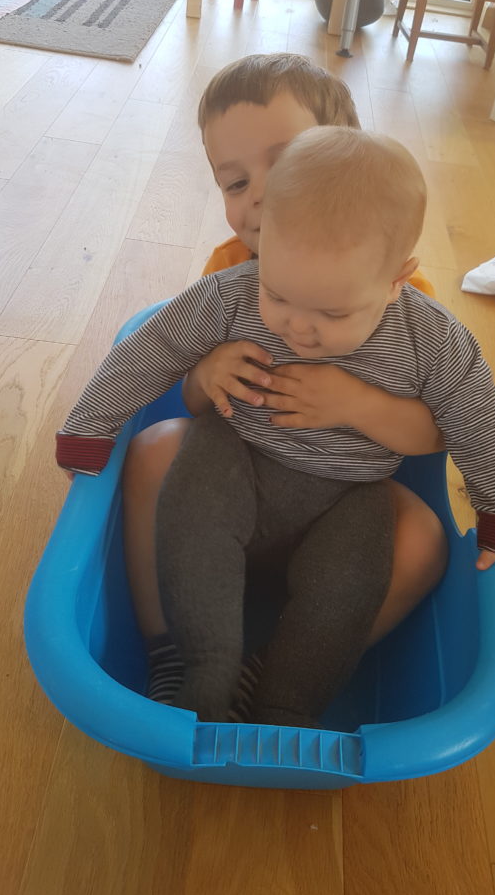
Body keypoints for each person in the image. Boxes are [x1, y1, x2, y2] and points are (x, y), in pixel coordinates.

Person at [57, 126, 495, 728]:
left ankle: (281, 694)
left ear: (397, 280)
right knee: (193, 508)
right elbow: (153, 348)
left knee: (347, 587)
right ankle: (190, 664)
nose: (297, 327)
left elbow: (482, 422)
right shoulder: (232, 293)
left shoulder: (432, 338)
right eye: (278, 295)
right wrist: (90, 426)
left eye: (332, 312)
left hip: (346, 498)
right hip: (237, 459)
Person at [121, 54, 452, 707]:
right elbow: (189, 402)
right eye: (235, 182)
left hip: (341, 518)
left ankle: (281, 669)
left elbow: (437, 433)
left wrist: (357, 403)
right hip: (222, 506)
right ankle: (172, 650)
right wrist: (206, 374)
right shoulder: (227, 275)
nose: (260, 196)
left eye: (288, 163)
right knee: (153, 448)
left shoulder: (407, 305)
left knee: (424, 542)